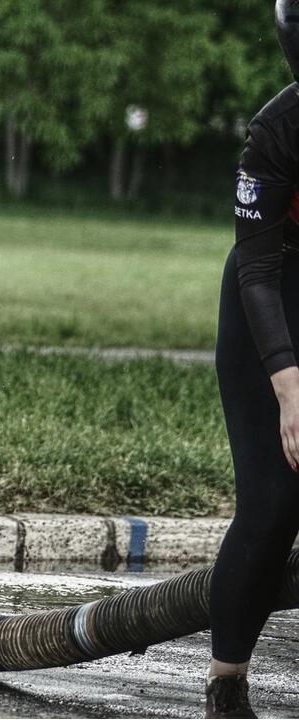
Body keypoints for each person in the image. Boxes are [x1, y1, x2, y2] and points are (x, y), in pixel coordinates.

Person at [207, 3, 299, 717]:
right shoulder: (278, 126)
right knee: (274, 506)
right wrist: (291, 391)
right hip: (269, 310)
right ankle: (227, 683)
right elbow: (259, 270)